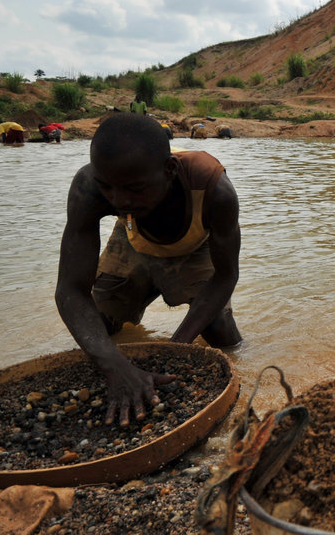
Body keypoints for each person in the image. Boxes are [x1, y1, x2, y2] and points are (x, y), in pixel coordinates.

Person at [55, 113, 241, 425]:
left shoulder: (214, 190)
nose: (119, 199)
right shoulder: (89, 188)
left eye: (135, 189)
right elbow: (71, 290)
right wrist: (114, 365)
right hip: (131, 240)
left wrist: (175, 349)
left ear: (169, 171)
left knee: (220, 334)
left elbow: (226, 276)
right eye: (108, 188)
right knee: (99, 328)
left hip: (194, 246)